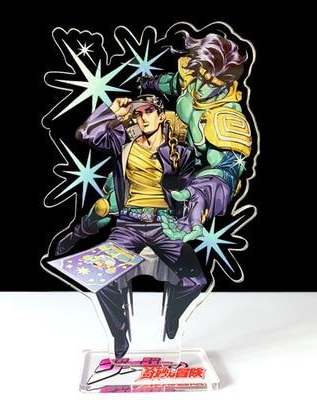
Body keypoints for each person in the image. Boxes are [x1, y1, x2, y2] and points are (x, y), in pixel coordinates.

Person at [75, 94, 214, 358]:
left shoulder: (181, 152)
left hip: (164, 224)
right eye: (138, 114)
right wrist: (112, 112)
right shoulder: (123, 143)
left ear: (161, 115)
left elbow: (189, 192)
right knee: (101, 279)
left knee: (195, 281)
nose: (143, 118)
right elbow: (85, 134)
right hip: (129, 224)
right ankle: (119, 330)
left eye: (149, 111)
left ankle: (173, 314)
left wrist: (195, 211)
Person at [140, 31, 252, 242]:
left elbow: (228, 171)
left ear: (225, 83)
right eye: (201, 75)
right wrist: (148, 83)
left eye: (211, 83)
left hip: (190, 174)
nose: (201, 86)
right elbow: (172, 83)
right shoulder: (193, 79)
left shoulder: (226, 117)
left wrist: (201, 194)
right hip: (170, 145)